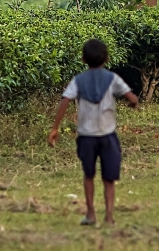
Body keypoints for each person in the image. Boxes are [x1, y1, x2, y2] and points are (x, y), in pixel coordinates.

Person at [48, 39, 139, 226]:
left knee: (88, 175)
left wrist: (55, 127)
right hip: (108, 135)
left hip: (86, 136)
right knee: (109, 178)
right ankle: (109, 216)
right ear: (107, 58)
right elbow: (132, 97)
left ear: (83, 59)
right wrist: (132, 103)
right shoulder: (111, 78)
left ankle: (90, 214)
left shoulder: (78, 81)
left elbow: (65, 100)